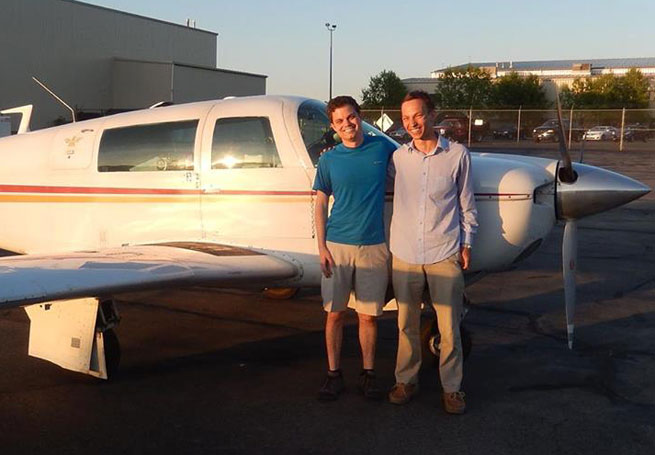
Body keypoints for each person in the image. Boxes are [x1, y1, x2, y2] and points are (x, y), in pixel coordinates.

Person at [388, 91, 478, 414]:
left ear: (432, 114)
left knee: (449, 325)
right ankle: (406, 380)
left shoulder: (458, 156)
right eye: (406, 118)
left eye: (418, 115)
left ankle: (452, 388)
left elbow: (467, 204)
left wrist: (467, 243)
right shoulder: (399, 157)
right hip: (405, 252)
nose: (411, 123)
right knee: (405, 322)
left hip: (444, 250)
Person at [313, 95, 395, 401]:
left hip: (373, 245)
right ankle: (333, 374)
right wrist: (321, 246)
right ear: (333, 126)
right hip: (337, 246)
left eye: (351, 117)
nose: (347, 125)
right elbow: (321, 203)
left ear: (360, 117)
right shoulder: (328, 159)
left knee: (368, 315)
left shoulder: (382, 147)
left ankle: (369, 374)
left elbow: (410, 161)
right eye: (339, 121)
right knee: (334, 313)